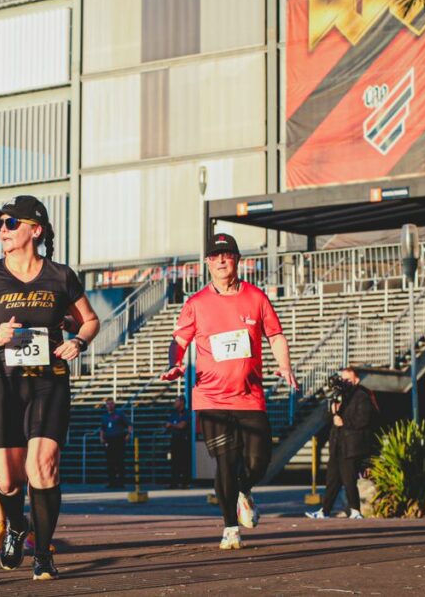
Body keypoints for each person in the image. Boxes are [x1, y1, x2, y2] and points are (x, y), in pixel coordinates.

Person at [0, 195, 100, 580]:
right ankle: (16, 525)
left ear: (34, 230)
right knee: (6, 478)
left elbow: (89, 320)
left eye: (10, 223)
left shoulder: (60, 275)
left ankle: (41, 554)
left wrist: (79, 342)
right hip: (2, 383)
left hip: (48, 381)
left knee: (44, 467)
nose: (2, 231)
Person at [161, 233, 297, 550]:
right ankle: (230, 528)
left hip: (250, 396)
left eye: (227, 255)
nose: (222, 260)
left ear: (237, 260)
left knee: (258, 461)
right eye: (215, 256)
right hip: (211, 398)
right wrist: (176, 363)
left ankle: (244, 491)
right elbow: (178, 341)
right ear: (208, 262)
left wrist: (285, 365)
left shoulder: (256, 297)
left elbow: (275, 335)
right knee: (226, 461)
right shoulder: (196, 304)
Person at [306, 366, 378, 520]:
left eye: (347, 379)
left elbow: (363, 420)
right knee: (332, 481)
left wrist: (343, 422)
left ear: (356, 380)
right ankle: (325, 511)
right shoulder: (339, 396)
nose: (343, 382)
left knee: (348, 479)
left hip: (351, 446)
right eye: (342, 379)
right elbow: (326, 420)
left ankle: (355, 511)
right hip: (337, 445)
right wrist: (332, 412)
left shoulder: (362, 396)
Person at [99, 398, 131, 489]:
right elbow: (102, 428)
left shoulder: (119, 414)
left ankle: (121, 482)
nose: (110, 405)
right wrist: (101, 437)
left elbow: (129, 425)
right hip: (109, 440)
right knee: (110, 462)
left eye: (111, 404)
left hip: (119, 439)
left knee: (120, 461)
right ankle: (111, 482)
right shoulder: (104, 416)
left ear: (114, 404)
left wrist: (128, 434)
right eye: (108, 404)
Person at [164, 396, 191, 489]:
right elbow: (167, 425)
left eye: (176, 401)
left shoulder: (187, 413)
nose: (175, 403)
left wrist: (172, 425)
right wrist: (175, 425)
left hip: (184, 441)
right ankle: (174, 483)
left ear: (182, 402)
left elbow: (182, 426)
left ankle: (185, 483)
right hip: (175, 440)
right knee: (174, 462)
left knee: (184, 461)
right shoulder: (173, 414)